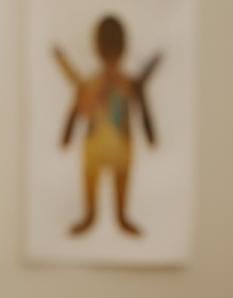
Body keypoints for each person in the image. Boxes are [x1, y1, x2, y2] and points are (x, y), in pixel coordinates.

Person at [54, 15, 161, 236]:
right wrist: (67, 134)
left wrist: (67, 136)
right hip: (96, 145)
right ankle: (91, 215)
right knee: (91, 178)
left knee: (120, 179)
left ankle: (120, 216)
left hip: (121, 145)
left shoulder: (122, 83)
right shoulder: (95, 84)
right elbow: (76, 109)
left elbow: (143, 109)